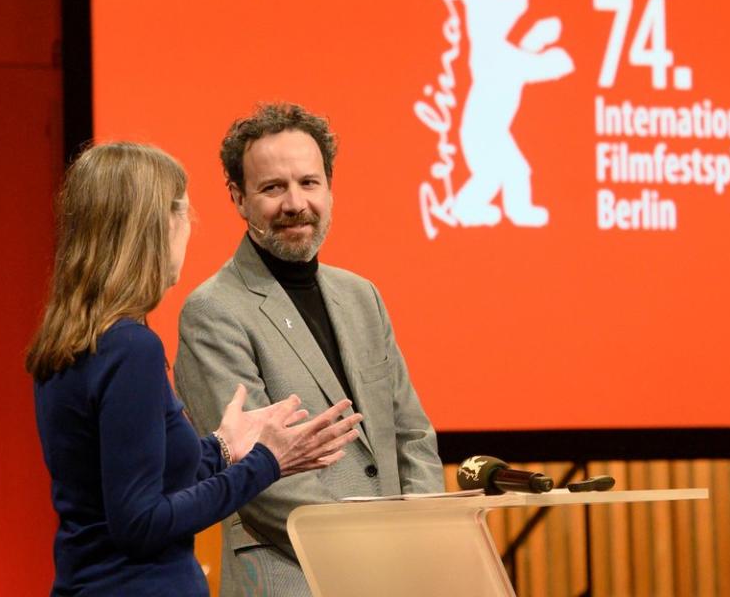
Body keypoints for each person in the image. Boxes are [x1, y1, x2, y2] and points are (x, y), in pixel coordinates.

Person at [27, 142, 361, 597]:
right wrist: (269, 462)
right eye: (185, 213)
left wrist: (223, 448)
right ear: (155, 226)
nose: (189, 229)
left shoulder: (71, 340)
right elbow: (140, 523)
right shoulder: (131, 348)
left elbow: (127, 481)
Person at [175, 104, 444, 597]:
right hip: (290, 576)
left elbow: (412, 435)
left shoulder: (362, 295)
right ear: (238, 197)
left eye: (309, 182)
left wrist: (420, 539)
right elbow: (253, 472)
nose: (295, 202)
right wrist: (367, 551)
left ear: (329, 187)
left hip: (400, 573)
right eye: (273, 187)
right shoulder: (212, 311)